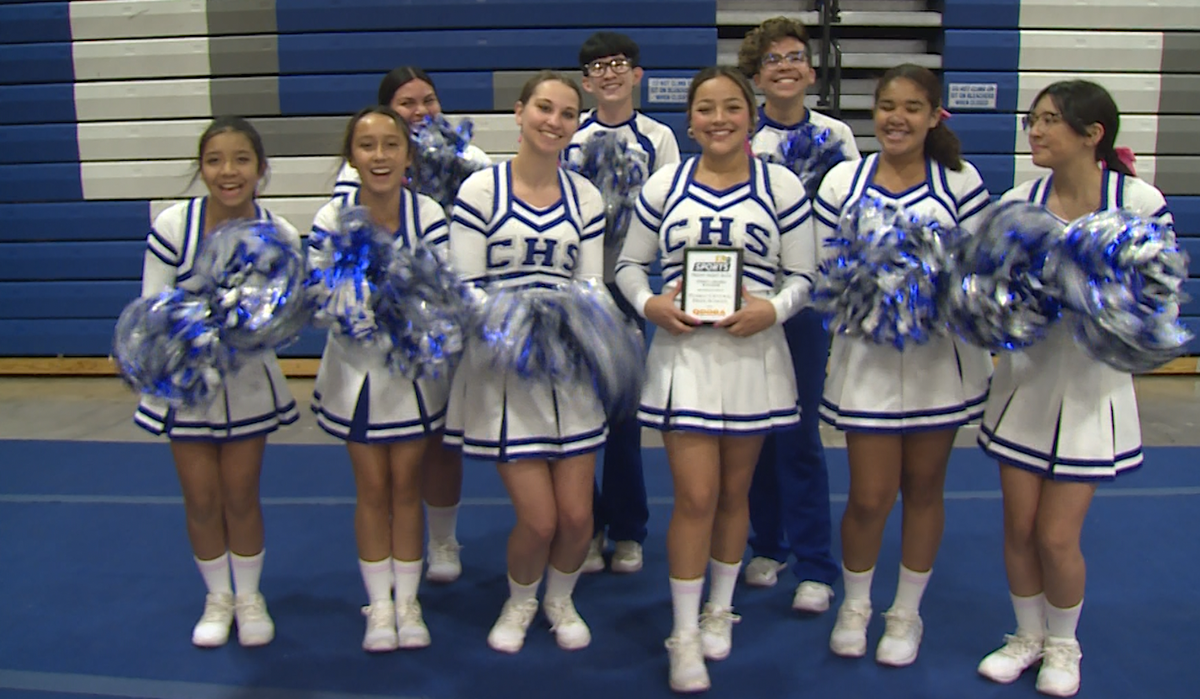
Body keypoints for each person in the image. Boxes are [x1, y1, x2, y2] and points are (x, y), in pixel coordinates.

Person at [616, 66, 817, 693]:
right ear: (690, 119)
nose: (719, 119)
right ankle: (682, 631)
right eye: (706, 108)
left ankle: (718, 607)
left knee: (736, 494)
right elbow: (627, 263)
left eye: (732, 107)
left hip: (754, 355)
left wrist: (773, 310)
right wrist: (650, 305)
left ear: (750, 117)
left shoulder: (780, 185)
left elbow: (805, 276)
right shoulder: (664, 184)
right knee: (696, 497)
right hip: (685, 358)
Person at [975, 80, 1171, 698]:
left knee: (1057, 535)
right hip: (1024, 383)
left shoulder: (1138, 200)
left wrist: (1104, 302)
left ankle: (1064, 644)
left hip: (1090, 387)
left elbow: (1158, 298)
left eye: (1051, 121)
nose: (1035, 131)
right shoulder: (1017, 200)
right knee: (1018, 525)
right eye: (1033, 120)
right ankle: (1026, 636)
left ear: (1093, 135)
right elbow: (988, 292)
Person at [813, 64, 992, 667]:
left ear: (934, 115)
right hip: (866, 361)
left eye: (912, 107)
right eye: (887, 105)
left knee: (923, 488)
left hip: (936, 359)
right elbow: (824, 269)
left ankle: (905, 613)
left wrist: (931, 286)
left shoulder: (961, 182)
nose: (897, 118)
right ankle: (856, 603)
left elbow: (976, 273)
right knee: (868, 495)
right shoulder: (843, 180)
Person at [445, 71, 607, 654]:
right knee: (539, 521)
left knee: (578, 520)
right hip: (505, 367)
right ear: (520, 112)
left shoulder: (585, 196)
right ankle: (520, 601)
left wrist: (575, 325)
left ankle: (558, 599)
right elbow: (464, 286)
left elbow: (590, 284)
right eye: (544, 108)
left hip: (569, 369)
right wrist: (518, 326)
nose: (554, 121)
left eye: (567, 114)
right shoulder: (480, 192)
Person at [136, 116, 300, 648]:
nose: (227, 172)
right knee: (201, 498)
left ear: (261, 169)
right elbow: (152, 312)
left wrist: (248, 322)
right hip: (186, 384)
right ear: (201, 168)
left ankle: (249, 596)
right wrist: (201, 325)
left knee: (240, 496)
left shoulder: (280, 233)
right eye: (214, 161)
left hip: (248, 382)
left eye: (240, 160)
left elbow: (282, 319)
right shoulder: (173, 226)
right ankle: (218, 597)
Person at [331, 65, 490, 584]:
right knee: (389, 464)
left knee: (443, 440)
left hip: (445, 313)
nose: (421, 111)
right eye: (407, 103)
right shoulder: (351, 183)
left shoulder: (471, 161)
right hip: (380, 339)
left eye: (429, 100)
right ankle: (394, 572)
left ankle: (443, 539)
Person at [309, 106, 451, 652]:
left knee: (407, 488)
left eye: (391, 145)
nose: (380, 156)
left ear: (408, 154)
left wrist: (409, 309)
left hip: (413, 377)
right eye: (367, 146)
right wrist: (353, 304)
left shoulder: (430, 214)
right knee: (372, 490)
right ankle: (379, 606)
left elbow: (443, 295)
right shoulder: (330, 218)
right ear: (352, 156)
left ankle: (408, 603)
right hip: (356, 374)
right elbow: (321, 301)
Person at [736, 14, 861, 612]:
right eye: (771, 61)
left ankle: (815, 563)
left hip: (808, 305)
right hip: (755, 301)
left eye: (793, 57)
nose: (784, 67)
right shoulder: (740, 137)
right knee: (757, 431)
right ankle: (768, 544)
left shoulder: (839, 137)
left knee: (802, 434)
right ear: (755, 77)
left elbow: (851, 221)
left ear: (811, 70)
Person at [565, 31, 681, 575]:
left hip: (630, 287)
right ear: (585, 82)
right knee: (578, 411)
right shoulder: (571, 135)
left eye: (619, 64)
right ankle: (587, 528)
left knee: (625, 417)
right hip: (576, 286)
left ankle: (630, 530)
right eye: (597, 67)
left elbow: (668, 213)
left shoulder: (658, 138)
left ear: (637, 75)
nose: (608, 74)